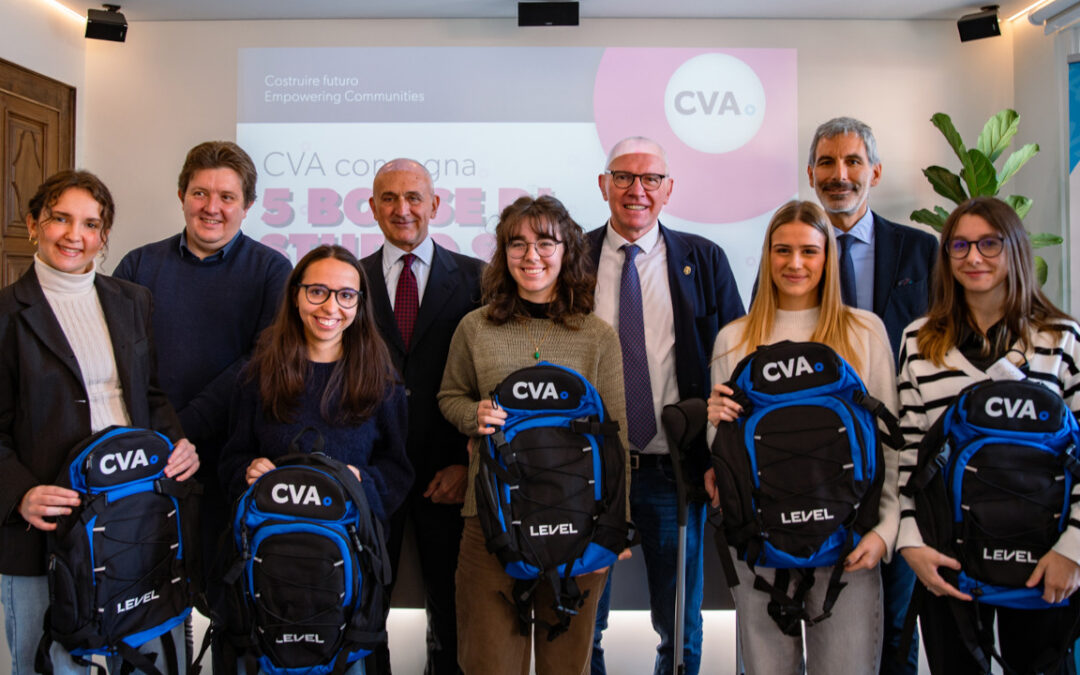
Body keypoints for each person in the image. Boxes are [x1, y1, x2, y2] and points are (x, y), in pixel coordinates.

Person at [0, 170, 200, 674]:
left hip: (132, 511)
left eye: (91, 224)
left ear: (104, 236)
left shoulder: (131, 300)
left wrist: (177, 442)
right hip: (45, 524)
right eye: (60, 219)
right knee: (50, 664)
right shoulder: (5, 314)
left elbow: (148, 394)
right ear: (32, 225)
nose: (74, 235)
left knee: (149, 658)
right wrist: (19, 493)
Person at [705, 199, 899, 674]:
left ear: (829, 258)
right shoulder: (735, 338)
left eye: (810, 252)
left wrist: (886, 531)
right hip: (760, 550)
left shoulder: (864, 332)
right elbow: (727, 455)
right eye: (782, 250)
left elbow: (891, 442)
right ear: (767, 256)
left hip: (849, 544)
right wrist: (714, 420)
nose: (795, 264)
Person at [438, 195, 628, 674]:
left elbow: (617, 438)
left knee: (566, 665)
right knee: (487, 663)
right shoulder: (474, 328)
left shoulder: (597, 335)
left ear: (567, 251)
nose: (531, 255)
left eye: (545, 242)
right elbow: (450, 397)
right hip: (490, 520)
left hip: (578, 523)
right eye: (517, 244)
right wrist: (472, 414)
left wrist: (613, 528)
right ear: (503, 255)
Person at [895, 197, 1080, 674]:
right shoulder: (918, 341)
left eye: (988, 244)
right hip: (948, 556)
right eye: (960, 245)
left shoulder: (1060, 339)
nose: (973, 257)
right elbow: (907, 450)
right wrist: (912, 544)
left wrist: (1073, 551)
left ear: (1014, 249)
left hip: (1043, 557)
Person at [588, 136, 744, 675]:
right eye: (624, 177)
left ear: (668, 189)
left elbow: (733, 364)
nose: (637, 190)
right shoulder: (572, 259)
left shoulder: (702, 259)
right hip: (590, 473)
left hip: (673, 472)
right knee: (584, 620)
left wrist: (720, 460)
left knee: (679, 624)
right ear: (603, 185)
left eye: (651, 179)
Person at [113, 140, 292, 596]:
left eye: (227, 197)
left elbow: (259, 363)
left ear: (248, 206)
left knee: (225, 602)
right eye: (199, 193)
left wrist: (185, 430)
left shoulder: (274, 271)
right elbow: (120, 360)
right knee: (149, 598)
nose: (211, 208)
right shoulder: (138, 265)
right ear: (181, 196)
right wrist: (167, 438)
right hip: (151, 460)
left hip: (230, 462)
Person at [807, 117, 937, 674]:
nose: (841, 175)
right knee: (831, 620)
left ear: (875, 172)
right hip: (823, 468)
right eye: (828, 163)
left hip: (904, 464)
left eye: (853, 162)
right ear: (810, 174)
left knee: (898, 627)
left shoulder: (922, 252)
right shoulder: (794, 253)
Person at [360, 159, 484, 675]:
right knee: (364, 610)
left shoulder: (478, 279)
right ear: (372, 208)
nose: (401, 208)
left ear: (435, 205)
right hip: (369, 474)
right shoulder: (350, 279)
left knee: (453, 618)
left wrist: (467, 467)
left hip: (447, 474)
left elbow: (485, 380)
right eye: (388, 198)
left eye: (414, 197)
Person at [219, 244, 412, 530]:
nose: (331, 307)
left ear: (359, 304)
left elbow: (397, 471)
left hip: (347, 549)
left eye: (346, 295)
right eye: (317, 291)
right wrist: (249, 471)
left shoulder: (381, 381)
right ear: (296, 296)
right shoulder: (257, 374)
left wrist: (363, 483)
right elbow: (231, 461)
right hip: (270, 544)